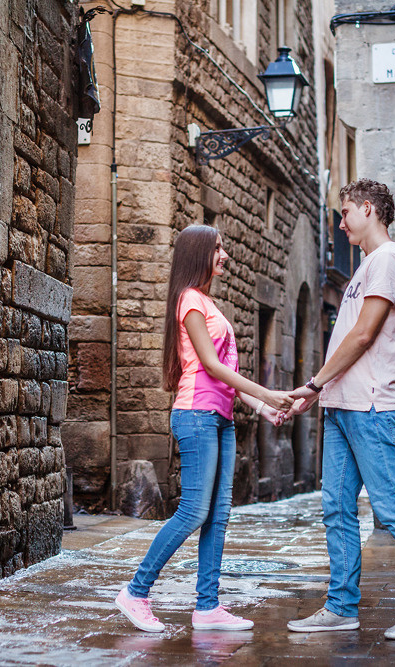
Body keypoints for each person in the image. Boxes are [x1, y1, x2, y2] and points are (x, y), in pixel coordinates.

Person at [284, 179, 395, 639]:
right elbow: (349, 339)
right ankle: (340, 606)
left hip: (371, 408)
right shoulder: (365, 268)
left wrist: (314, 382)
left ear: (369, 209)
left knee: (393, 509)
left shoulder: (389, 260)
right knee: (336, 509)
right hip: (341, 406)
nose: (341, 223)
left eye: (346, 212)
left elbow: (362, 336)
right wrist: (319, 392)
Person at [115, 224, 295, 633]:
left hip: (221, 418)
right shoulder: (189, 301)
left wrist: (262, 409)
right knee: (194, 510)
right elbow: (210, 367)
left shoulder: (207, 302)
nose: (224, 256)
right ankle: (136, 591)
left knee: (218, 514)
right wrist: (268, 394)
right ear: (199, 254)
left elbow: (226, 375)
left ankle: (208, 606)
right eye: (218, 249)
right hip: (196, 416)